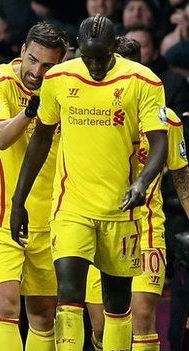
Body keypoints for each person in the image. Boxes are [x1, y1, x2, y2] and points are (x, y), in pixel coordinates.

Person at [10, 14, 168, 351]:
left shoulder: (144, 81)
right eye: (87, 56)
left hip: (120, 210)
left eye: (102, 56)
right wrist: (17, 200)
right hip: (72, 206)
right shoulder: (60, 78)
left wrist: (141, 183)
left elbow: (159, 144)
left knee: (116, 304)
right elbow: (40, 140)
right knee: (68, 293)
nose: (94, 65)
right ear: (77, 50)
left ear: (115, 48)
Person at [84, 36, 189, 351]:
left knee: (142, 317)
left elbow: (182, 177)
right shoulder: (87, 114)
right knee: (102, 327)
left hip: (146, 229)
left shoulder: (166, 120)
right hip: (96, 227)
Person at [0, 21, 67, 351]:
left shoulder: (66, 89)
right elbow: (0, 137)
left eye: (48, 65)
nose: (37, 71)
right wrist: (32, 110)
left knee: (42, 315)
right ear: (23, 51)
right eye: (33, 60)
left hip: (49, 218)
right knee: (6, 306)